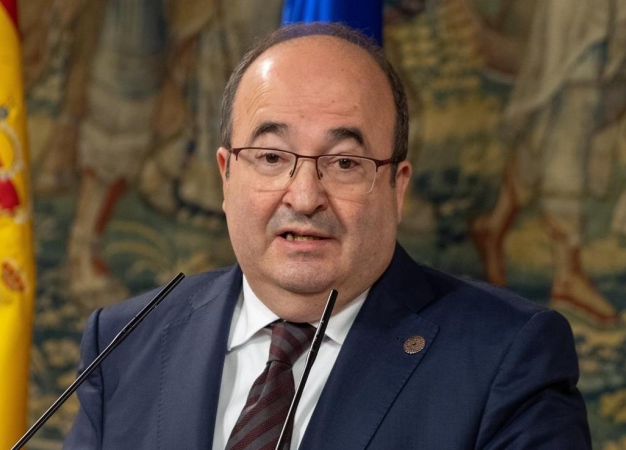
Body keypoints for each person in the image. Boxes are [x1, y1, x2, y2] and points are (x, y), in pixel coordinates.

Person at [63, 22, 591, 449]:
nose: (304, 196)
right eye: (271, 158)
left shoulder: (508, 357)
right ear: (226, 176)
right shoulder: (125, 342)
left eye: (344, 162)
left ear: (396, 187)